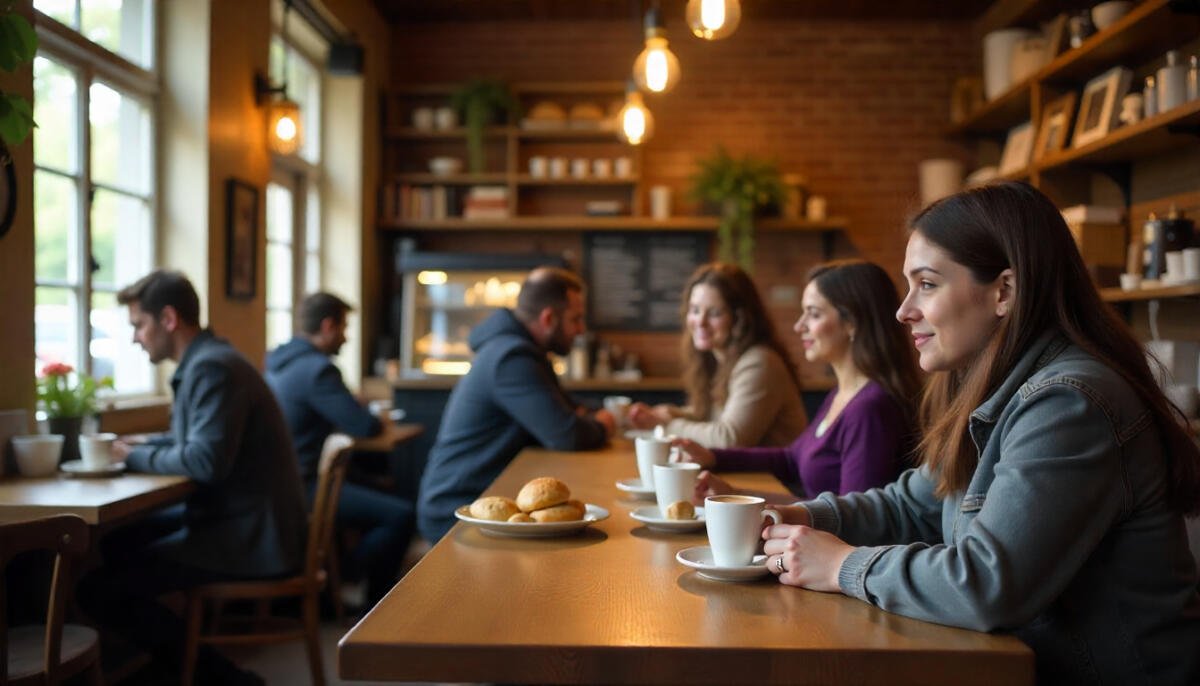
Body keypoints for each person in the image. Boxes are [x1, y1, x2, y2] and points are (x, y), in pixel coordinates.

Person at [761, 182, 1200, 684]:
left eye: (926, 284)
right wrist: (795, 515)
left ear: (1004, 292)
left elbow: (989, 584)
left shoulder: (1069, 402)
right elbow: (910, 505)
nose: (904, 310)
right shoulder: (996, 388)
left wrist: (841, 564)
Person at [79, 269, 306, 686]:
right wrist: (149, 443)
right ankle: (175, 661)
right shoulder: (212, 360)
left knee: (97, 588)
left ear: (168, 319)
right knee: (118, 542)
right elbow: (200, 439)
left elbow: (204, 461)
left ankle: (223, 679)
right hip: (249, 521)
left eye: (139, 325)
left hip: (253, 536)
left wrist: (132, 456)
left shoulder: (212, 369)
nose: (135, 338)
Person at [679, 260, 921, 500]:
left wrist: (742, 498)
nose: (799, 326)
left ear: (852, 323)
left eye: (813, 314)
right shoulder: (842, 393)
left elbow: (853, 519)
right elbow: (791, 459)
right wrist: (714, 459)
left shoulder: (868, 409)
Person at [417, 266, 616, 542]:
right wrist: (604, 425)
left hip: (494, 497)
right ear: (548, 318)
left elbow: (565, 408)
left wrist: (587, 416)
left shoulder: (523, 352)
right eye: (576, 319)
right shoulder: (511, 358)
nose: (581, 330)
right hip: (460, 507)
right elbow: (566, 434)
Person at [266, 291, 414, 607]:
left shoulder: (277, 362)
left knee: (376, 486)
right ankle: (363, 596)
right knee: (400, 515)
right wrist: (364, 409)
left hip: (278, 482)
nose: (345, 338)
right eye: (344, 328)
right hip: (303, 486)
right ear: (328, 326)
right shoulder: (317, 369)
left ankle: (340, 583)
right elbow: (365, 427)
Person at [627, 262, 807, 448]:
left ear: (740, 318)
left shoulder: (759, 362)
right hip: (751, 475)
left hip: (772, 477)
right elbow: (710, 416)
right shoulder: (720, 358)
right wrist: (668, 414)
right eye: (695, 310)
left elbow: (729, 439)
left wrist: (666, 424)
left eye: (714, 313)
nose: (700, 321)